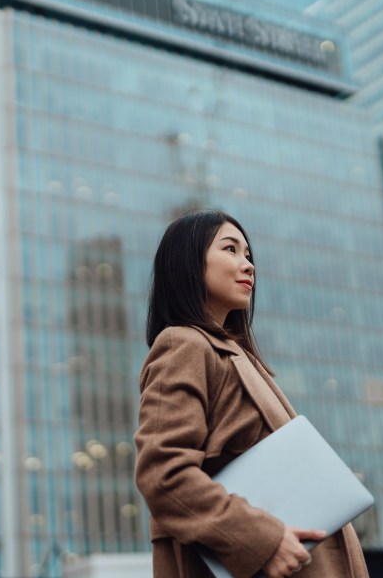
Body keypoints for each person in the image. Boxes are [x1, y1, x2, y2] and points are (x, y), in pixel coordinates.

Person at [134, 210, 369, 578]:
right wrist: (262, 541)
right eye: (230, 249)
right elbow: (164, 475)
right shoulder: (184, 345)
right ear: (188, 264)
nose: (248, 265)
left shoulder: (237, 356)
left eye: (248, 255)